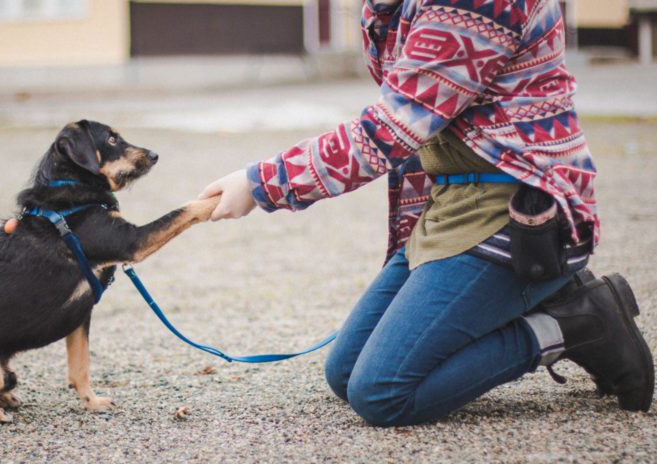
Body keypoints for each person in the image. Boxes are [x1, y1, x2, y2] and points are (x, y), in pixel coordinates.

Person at [199, 0, 653, 426]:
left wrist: (262, 184)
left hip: (517, 214)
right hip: (449, 204)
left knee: (382, 392)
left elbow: (394, 126)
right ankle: (541, 291)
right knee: (345, 372)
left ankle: (570, 323)